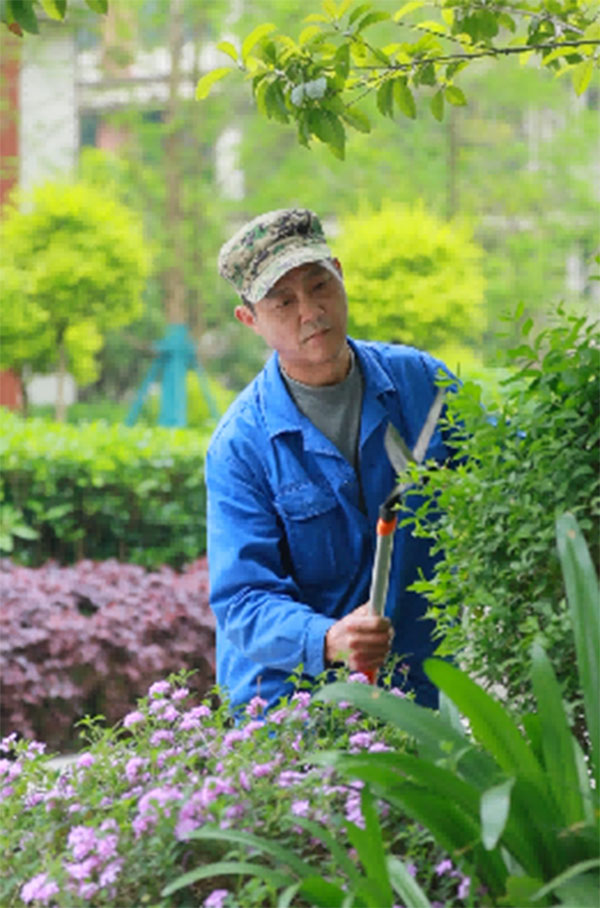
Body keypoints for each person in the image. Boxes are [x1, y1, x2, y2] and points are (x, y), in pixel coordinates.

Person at [205, 208, 454, 714]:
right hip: (289, 704)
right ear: (249, 319)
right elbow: (243, 600)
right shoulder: (241, 445)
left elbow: (506, 472)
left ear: (340, 273)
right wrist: (329, 638)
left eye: (320, 286)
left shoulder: (422, 385)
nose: (311, 311)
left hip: (413, 691)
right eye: (283, 301)